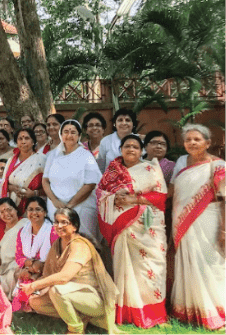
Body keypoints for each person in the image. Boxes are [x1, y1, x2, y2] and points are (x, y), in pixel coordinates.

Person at [96, 135, 168, 328]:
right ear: (120, 149)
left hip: (147, 228)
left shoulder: (151, 168)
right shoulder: (112, 172)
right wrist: (112, 197)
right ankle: (128, 311)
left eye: (135, 146)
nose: (131, 149)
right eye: (127, 146)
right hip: (122, 230)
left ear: (141, 150)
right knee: (125, 271)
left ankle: (155, 313)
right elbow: (101, 194)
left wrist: (133, 200)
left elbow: (160, 197)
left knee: (151, 269)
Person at [25, 208, 120, 335]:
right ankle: (82, 317)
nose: (59, 226)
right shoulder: (57, 244)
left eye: (64, 222)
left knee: (57, 290)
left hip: (95, 299)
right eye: (56, 222)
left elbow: (64, 276)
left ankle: (76, 330)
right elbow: (48, 275)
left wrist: (34, 285)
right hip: (70, 294)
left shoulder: (80, 245)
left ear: (74, 226)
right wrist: (37, 289)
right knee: (35, 301)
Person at [168, 124, 226, 330]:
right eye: (188, 140)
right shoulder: (183, 165)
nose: (192, 143)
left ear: (208, 143)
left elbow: (225, 199)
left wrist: (224, 230)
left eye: (197, 139)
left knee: (210, 264)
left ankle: (216, 311)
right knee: (189, 262)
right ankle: (192, 311)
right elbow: (171, 192)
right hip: (183, 223)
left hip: (209, 220)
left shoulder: (218, 165)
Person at [43, 120, 103, 243]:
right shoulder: (52, 155)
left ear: (79, 136)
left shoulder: (86, 155)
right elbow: (45, 180)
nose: (69, 135)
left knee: (84, 243)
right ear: (61, 134)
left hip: (81, 207)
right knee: (59, 243)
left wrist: (70, 206)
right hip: (56, 207)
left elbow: (90, 184)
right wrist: (55, 201)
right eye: (66, 132)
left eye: (73, 132)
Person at [11, 197, 58, 312]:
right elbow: (18, 256)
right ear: (26, 212)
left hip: (48, 272)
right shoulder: (22, 231)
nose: (34, 213)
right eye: (30, 209)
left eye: (38, 209)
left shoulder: (52, 231)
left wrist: (40, 267)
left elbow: (57, 256)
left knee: (37, 299)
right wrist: (30, 265)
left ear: (45, 212)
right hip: (28, 270)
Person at [0, 128, 46, 212]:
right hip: (12, 206)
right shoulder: (11, 160)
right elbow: (4, 182)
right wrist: (10, 187)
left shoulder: (41, 159)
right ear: (16, 142)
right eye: (20, 139)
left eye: (27, 138)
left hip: (33, 206)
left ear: (33, 141)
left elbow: (49, 185)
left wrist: (34, 193)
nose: (23, 141)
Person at [0, 198, 26, 297]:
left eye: (9, 209)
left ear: (16, 210)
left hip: (20, 264)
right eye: (2, 212)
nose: (6, 213)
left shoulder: (26, 223)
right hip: (4, 268)